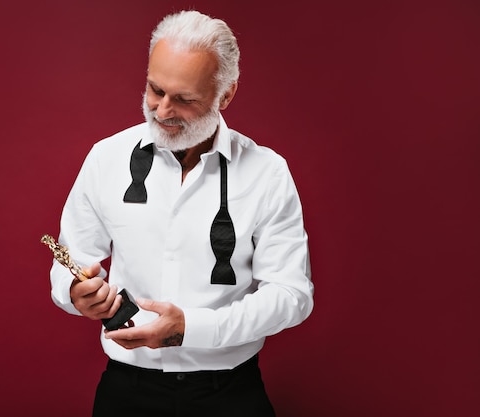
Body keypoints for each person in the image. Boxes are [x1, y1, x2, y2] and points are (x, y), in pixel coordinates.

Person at [49, 9, 314, 417]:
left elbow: (291, 295)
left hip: (229, 395)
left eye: (184, 99)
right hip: (127, 394)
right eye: (155, 89)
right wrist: (75, 294)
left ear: (225, 96)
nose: (162, 111)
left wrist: (191, 328)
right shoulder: (106, 158)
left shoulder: (267, 172)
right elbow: (73, 259)